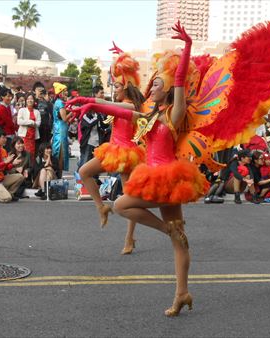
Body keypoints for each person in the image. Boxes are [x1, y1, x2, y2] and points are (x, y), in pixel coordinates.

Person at [69, 22, 209, 316]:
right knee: (179, 238)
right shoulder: (147, 113)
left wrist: (187, 48)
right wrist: (90, 103)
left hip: (168, 178)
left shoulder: (174, 113)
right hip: (155, 176)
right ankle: (182, 293)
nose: (151, 87)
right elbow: (120, 109)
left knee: (121, 204)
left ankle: (164, 231)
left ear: (168, 89)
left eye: (157, 84)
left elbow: (181, 79)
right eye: (152, 83)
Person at [66, 44, 146, 255]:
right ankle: (101, 207)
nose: (114, 89)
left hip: (127, 153)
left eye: (117, 87)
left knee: (129, 199)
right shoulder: (120, 103)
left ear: (126, 88)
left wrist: (91, 103)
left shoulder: (131, 107)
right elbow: (105, 102)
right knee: (84, 172)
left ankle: (129, 238)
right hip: (113, 149)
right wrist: (86, 101)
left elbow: (108, 106)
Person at [76, 86, 110, 168]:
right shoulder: (89, 107)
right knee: (84, 164)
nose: (103, 95)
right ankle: (79, 180)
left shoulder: (102, 108)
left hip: (99, 141)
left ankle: (95, 180)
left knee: (96, 166)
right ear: (95, 94)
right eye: (101, 93)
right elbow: (86, 122)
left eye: (103, 93)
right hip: (88, 141)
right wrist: (98, 114)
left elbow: (105, 125)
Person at [51, 83, 73, 172]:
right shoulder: (60, 103)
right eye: (65, 91)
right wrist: (72, 112)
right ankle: (58, 174)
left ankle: (58, 174)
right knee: (61, 153)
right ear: (60, 93)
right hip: (60, 130)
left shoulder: (57, 102)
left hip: (59, 129)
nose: (66, 93)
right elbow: (64, 118)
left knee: (60, 152)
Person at [17, 92, 41, 160]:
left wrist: (31, 123)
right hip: (23, 136)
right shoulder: (22, 110)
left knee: (31, 154)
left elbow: (38, 124)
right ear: (25, 100)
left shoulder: (37, 112)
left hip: (32, 137)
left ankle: (30, 169)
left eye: (31, 99)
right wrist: (31, 122)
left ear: (34, 101)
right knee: (23, 153)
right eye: (28, 99)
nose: (30, 100)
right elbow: (19, 121)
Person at [0, 87, 16, 152]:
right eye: (8, 96)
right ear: (2, 97)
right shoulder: (1, 108)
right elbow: (9, 122)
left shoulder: (8, 106)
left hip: (10, 132)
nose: (10, 98)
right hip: (6, 134)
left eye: (11, 96)